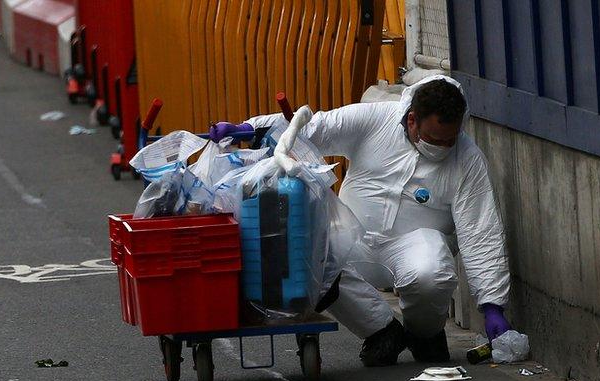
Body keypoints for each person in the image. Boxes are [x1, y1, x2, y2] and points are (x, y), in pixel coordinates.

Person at [210, 76, 512, 366]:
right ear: (411, 120)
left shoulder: (467, 159)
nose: (443, 147)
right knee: (314, 256)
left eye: (450, 140)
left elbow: (479, 229)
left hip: (415, 247)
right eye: (434, 139)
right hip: (353, 240)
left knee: (433, 274)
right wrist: (250, 128)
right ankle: (381, 332)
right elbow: (310, 127)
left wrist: (492, 303)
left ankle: (425, 335)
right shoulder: (374, 120)